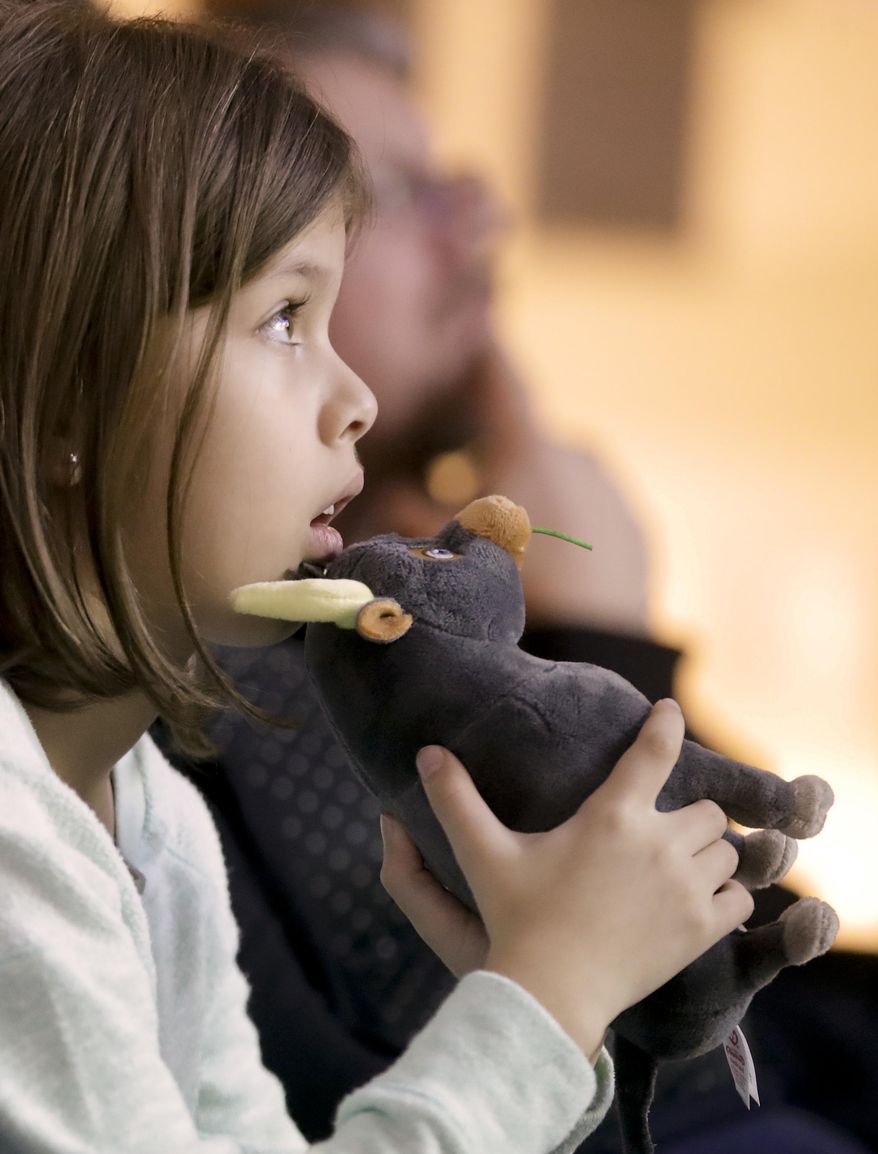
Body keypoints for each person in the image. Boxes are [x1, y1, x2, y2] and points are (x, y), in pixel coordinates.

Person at [0, 3, 756, 1152]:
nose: (351, 397)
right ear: (64, 406)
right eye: (285, 317)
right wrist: (544, 995)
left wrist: (539, 1002)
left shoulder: (146, 811)